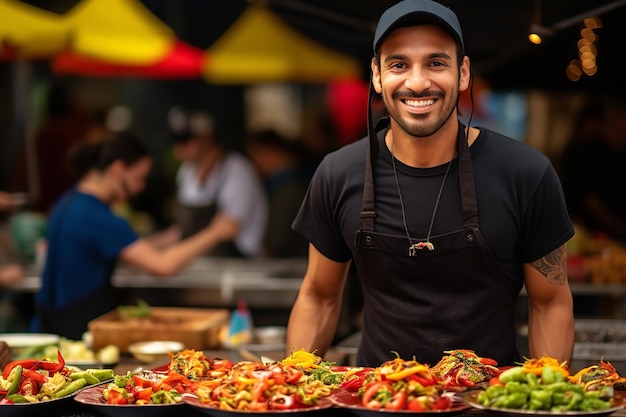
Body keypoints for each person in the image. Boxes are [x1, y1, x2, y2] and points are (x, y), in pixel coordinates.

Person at [286, 0, 575, 367]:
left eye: (436, 63)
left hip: (486, 403)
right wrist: (289, 390)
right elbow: (319, 296)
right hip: (377, 401)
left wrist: (543, 394)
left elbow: (549, 302)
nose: (418, 82)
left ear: (464, 73)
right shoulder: (338, 174)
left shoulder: (526, 174)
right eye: (398, 65)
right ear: (376, 75)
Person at [34, 132, 242, 340]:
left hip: (53, 323)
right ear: (118, 170)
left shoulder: (69, 201)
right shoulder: (97, 216)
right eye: (139, 178)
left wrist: (171, 237)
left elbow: (124, 247)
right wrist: (215, 232)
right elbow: (163, 265)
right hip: (76, 330)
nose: (141, 187)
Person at [152, 110, 267, 258]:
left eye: (185, 140)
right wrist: (148, 245)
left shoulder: (236, 170)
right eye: (175, 141)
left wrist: (173, 257)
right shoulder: (186, 171)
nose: (179, 148)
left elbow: (228, 229)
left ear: (206, 137)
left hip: (238, 264)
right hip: (199, 262)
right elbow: (183, 231)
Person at [246, 130, 310, 258]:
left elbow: (275, 244)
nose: (254, 164)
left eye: (255, 156)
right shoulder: (289, 184)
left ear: (271, 151)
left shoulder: (289, 189)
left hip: (292, 265)